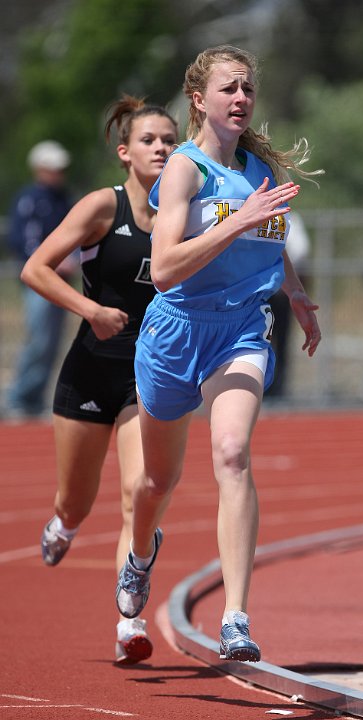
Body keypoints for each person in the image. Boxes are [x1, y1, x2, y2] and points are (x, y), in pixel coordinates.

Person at [115, 45, 322, 663]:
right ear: (200, 99)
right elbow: (168, 272)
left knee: (232, 452)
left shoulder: (258, 167)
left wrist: (298, 292)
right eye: (230, 88)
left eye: (249, 90)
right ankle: (140, 553)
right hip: (176, 332)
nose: (241, 99)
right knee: (157, 480)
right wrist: (237, 220)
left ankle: (236, 618)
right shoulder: (184, 168)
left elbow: (270, 235)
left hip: (239, 332)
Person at [20, 96, 178, 663]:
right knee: (78, 501)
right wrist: (90, 312)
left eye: (170, 140)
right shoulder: (100, 207)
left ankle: (127, 623)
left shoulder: (186, 211)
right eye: (149, 140)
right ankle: (61, 523)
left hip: (151, 375)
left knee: (142, 496)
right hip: (91, 367)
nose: (161, 147)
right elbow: (34, 268)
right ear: (125, 152)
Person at [5, 140, 76, 418]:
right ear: (39, 169)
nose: (59, 173)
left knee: (53, 341)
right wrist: (49, 263)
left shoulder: (64, 199)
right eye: (53, 168)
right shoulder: (29, 198)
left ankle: (34, 399)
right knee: (39, 338)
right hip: (38, 282)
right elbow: (21, 239)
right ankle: (20, 397)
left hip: (62, 283)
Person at [266, 211, 311, 397]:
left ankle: (276, 386)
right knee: (266, 339)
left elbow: (300, 250)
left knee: (274, 338)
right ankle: (271, 386)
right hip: (269, 290)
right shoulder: (287, 217)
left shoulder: (289, 217)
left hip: (276, 290)